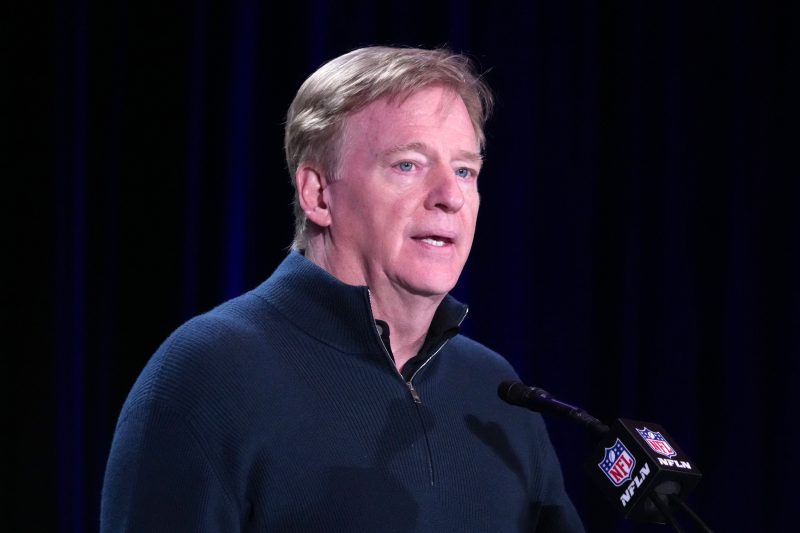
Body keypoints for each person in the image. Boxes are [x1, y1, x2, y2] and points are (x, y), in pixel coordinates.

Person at [101, 46, 584, 532]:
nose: (450, 197)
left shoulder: (497, 393)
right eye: (408, 165)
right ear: (318, 194)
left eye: (465, 171)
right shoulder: (209, 373)